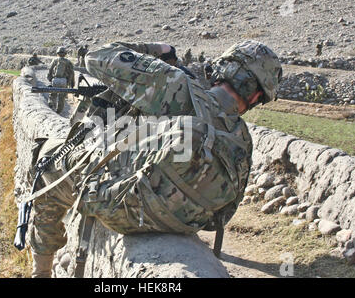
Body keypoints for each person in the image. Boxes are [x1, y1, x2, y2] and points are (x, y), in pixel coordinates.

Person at [26, 40, 282, 277]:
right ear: (257, 97)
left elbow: (97, 57)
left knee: (46, 160)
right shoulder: (242, 138)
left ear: (221, 68)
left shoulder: (176, 83)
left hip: (123, 211)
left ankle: (42, 269)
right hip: (185, 224)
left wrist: (157, 50)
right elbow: (224, 215)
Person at [47, 46, 75, 114]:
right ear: (65, 54)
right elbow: (72, 73)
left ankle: (51, 107)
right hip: (63, 81)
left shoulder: (55, 60)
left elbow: (50, 70)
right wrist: (71, 83)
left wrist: (50, 79)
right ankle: (58, 111)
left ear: (57, 53)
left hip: (55, 80)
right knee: (61, 97)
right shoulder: (68, 62)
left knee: (53, 95)